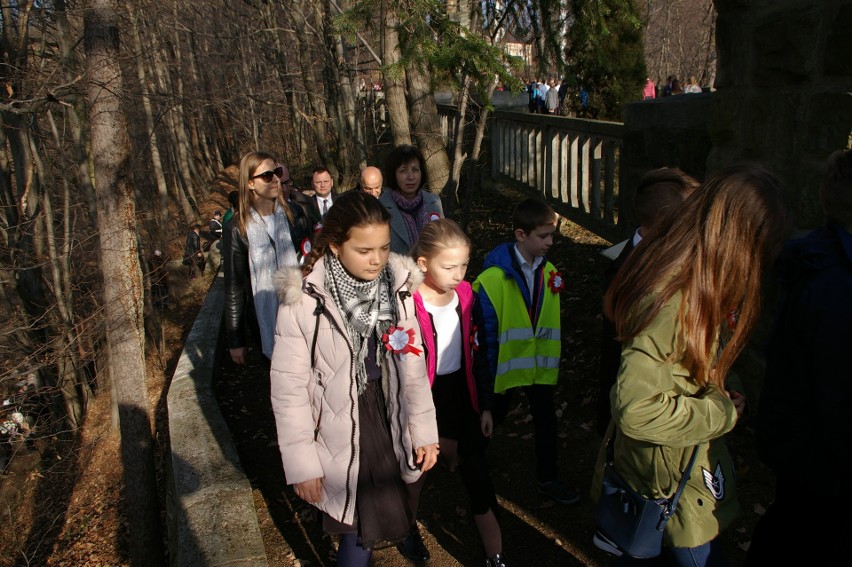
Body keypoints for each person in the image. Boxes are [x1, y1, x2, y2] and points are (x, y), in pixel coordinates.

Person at [592, 164, 789, 566]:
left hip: (677, 473)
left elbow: (688, 359)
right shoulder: (675, 298)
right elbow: (635, 408)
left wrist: (722, 382)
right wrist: (719, 412)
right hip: (666, 483)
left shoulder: (698, 284)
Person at [270, 190, 439, 567]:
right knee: (356, 529)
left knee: (389, 510)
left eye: (382, 247)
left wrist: (425, 430)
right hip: (340, 423)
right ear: (334, 246)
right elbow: (289, 389)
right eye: (364, 250)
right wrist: (302, 463)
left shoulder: (398, 287)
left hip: (389, 412)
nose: (377, 259)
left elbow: (413, 368)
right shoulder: (305, 300)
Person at [746, 150, 852, 566]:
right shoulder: (837, 287)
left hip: (803, 448)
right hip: (822, 461)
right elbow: (839, 395)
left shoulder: (819, 258)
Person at [473, 198, 581, 505]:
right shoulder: (493, 278)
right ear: (521, 235)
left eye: (552, 236)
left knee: (546, 420)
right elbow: (487, 332)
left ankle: (548, 477)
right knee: (492, 417)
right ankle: (474, 468)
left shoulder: (551, 273)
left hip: (538, 367)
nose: (549, 242)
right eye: (543, 236)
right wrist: (487, 374)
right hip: (504, 367)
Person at [411, 219, 507, 567]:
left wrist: (485, 406)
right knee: (416, 471)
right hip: (424, 398)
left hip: (462, 395)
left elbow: (480, 354)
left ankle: (494, 552)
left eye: (464, 265)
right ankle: (407, 528)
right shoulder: (407, 301)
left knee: (478, 472)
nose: (458, 273)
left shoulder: (467, 295)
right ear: (423, 263)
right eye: (449, 266)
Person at [595, 167, 700, 435]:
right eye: (692, 220)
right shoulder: (627, 273)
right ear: (670, 225)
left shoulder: (670, 259)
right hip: (641, 413)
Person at [222, 151, 301, 364]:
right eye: (267, 176)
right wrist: (235, 339)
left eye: (276, 172)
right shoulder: (237, 228)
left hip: (303, 313)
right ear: (249, 184)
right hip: (264, 320)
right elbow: (234, 286)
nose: (276, 179)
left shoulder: (296, 214)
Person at [379, 144, 443, 255]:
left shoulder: (433, 201)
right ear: (393, 174)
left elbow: (443, 242)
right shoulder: (380, 207)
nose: (411, 177)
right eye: (403, 171)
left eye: (415, 170)